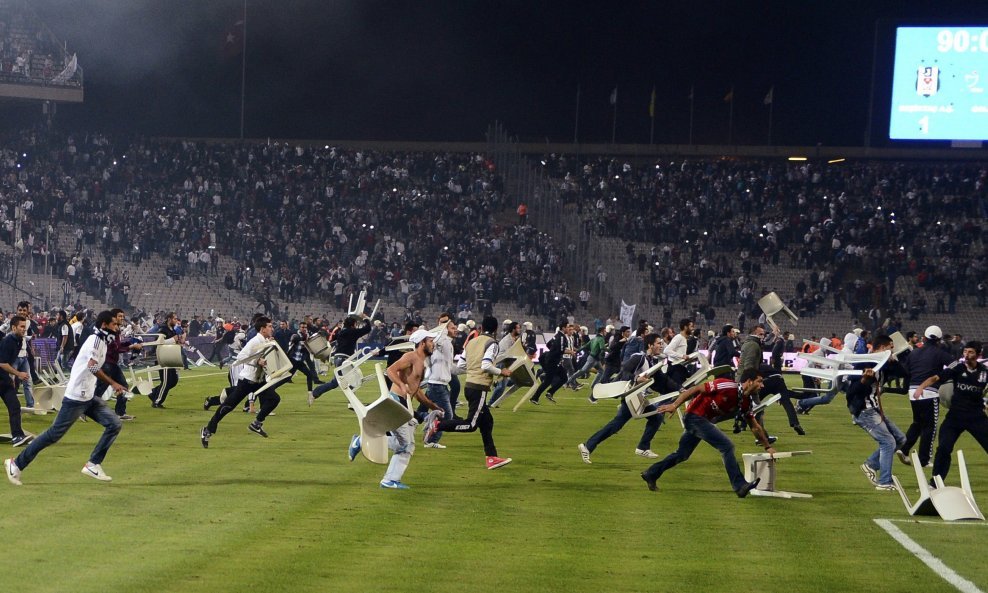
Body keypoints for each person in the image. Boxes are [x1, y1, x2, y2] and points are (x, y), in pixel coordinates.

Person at [5, 310, 128, 486]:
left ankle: (93, 464)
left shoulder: (102, 341)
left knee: (114, 424)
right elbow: (92, 367)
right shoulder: (95, 340)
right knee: (53, 435)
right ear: (104, 325)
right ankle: (16, 464)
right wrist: (114, 384)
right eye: (115, 324)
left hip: (87, 396)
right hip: (76, 397)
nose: (118, 326)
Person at [639, 368, 770, 497]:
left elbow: (755, 427)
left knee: (682, 454)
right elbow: (695, 389)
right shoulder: (726, 385)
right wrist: (675, 405)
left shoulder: (745, 402)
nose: (762, 385)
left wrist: (768, 447)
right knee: (727, 446)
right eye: (759, 381)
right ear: (749, 381)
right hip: (694, 417)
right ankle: (740, 486)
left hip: (702, 420)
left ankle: (651, 473)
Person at [350, 328, 443, 489]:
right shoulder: (410, 357)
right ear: (422, 343)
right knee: (406, 444)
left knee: (407, 445)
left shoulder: (421, 363)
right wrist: (401, 384)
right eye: (430, 341)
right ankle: (364, 446)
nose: (433, 344)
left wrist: (433, 406)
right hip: (396, 403)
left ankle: (390, 479)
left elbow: (416, 390)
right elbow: (390, 370)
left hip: (403, 404)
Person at [424, 316, 512, 470]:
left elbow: (462, 365)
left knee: (487, 422)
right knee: (471, 425)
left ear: (482, 327)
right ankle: (438, 425)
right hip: (479, 387)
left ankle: (491, 457)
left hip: (470, 385)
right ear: (496, 329)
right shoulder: (492, 343)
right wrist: (501, 371)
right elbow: (486, 365)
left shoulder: (472, 342)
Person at [578, 334, 676, 464]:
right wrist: (636, 379)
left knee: (653, 418)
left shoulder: (652, 361)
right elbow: (624, 371)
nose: (661, 345)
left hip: (637, 396)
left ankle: (641, 447)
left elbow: (663, 380)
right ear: (650, 345)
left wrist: (680, 389)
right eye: (658, 343)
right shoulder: (639, 357)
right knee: (618, 425)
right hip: (630, 396)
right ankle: (588, 445)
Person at [200, 316, 282, 447]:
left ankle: (257, 423)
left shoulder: (266, 340)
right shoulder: (255, 341)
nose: (272, 328)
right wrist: (257, 361)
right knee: (228, 406)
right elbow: (241, 357)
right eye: (270, 326)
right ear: (262, 329)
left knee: (274, 399)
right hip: (248, 380)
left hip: (258, 380)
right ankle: (208, 429)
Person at [912, 341, 988, 483]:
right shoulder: (957, 367)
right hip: (955, 417)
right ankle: (935, 483)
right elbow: (936, 377)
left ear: (978, 355)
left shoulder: (984, 371)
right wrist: (921, 387)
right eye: (965, 352)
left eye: (970, 352)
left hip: (976, 417)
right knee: (943, 449)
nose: (966, 355)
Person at [846, 335, 905, 491]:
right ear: (880, 348)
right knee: (888, 442)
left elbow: (905, 373)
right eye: (889, 347)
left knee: (900, 439)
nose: (892, 350)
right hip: (865, 410)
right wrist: (864, 381)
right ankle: (884, 482)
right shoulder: (865, 362)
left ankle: (870, 464)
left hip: (876, 409)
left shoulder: (885, 364)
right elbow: (850, 392)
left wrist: (893, 361)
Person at [899, 325, 956, 468]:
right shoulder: (939, 352)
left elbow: (906, 371)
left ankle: (904, 448)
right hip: (930, 392)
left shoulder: (914, 353)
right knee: (930, 427)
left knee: (917, 423)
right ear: (938, 340)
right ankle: (924, 459)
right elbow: (955, 365)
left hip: (913, 392)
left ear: (924, 338)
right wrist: (941, 377)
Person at [308, 313, 372, 405]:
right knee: (352, 380)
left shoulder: (343, 331)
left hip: (338, 357)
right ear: (353, 324)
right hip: (344, 359)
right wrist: (365, 318)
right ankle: (353, 403)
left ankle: (316, 393)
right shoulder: (352, 332)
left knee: (336, 382)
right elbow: (368, 329)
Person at [94, 308, 144, 421]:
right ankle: (84, 411)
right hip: (107, 363)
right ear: (113, 317)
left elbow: (118, 345)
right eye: (120, 316)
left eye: (123, 316)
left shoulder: (115, 330)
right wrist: (131, 346)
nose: (122, 318)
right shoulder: (111, 331)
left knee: (121, 387)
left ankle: (120, 413)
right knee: (100, 390)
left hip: (112, 363)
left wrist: (131, 341)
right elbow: (115, 349)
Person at [0, 316, 35, 447]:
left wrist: (10, 377)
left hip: (4, 380)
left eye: (24, 327)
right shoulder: (8, 341)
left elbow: (8, 363)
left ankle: (17, 436)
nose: (24, 329)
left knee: (14, 407)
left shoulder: (20, 341)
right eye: (21, 327)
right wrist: (18, 374)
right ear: (13, 327)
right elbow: (2, 363)